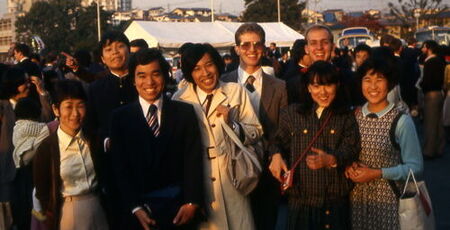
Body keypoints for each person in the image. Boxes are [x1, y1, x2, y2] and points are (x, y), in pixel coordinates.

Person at [110, 48, 204, 230]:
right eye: (141, 76)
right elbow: (119, 168)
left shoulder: (184, 112)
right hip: (139, 214)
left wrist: (192, 202)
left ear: (165, 75)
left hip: (180, 212)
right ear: (133, 80)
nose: (149, 82)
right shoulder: (120, 118)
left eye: (155, 74)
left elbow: (193, 161)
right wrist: (134, 207)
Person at [173, 43, 263, 230]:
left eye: (209, 65)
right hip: (197, 181)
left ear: (218, 65)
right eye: (196, 68)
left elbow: (256, 131)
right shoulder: (179, 99)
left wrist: (232, 124)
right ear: (189, 72)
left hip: (232, 177)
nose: (205, 73)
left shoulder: (235, 91)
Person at [269, 61, 360, 229]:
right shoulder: (292, 113)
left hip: (334, 205)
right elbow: (276, 141)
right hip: (300, 203)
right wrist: (275, 155)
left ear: (337, 85)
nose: (323, 92)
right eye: (317, 86)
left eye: (328, 85)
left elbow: (352, 148)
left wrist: (332, 159)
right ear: (309, 87)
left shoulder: (346, 115)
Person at [221, 22, 288, 230]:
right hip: (232, 168)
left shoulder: (279, 86)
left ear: (265, 47)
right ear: (237, 48)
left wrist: (276, 153)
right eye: (246, 45)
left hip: (268, 167)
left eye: (257, 44)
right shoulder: (223, 82)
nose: (252, 50)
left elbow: (282, 127)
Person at [347, 57, 423, 229]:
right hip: (356, 200)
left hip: (390, 201)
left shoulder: (401, 121)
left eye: (379, 80)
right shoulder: (353, 116)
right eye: (367, 80)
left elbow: (416, 167)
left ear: (389, 84)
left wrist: (378, 173)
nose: (373, 87)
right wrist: (348, 166)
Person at [33, 80, 108, 230]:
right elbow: (42, 191)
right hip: (67, 212)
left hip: (99, 207)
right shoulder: (47, 147)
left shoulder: (94, 140)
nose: (75, 113)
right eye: (68, 106)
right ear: (56, 109)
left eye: (80, 106)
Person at [0, 66, 52, 230]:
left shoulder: (33, 103)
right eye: (24, 82)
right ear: (12, 85)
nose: (28, 85)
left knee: (27, 216)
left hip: (31, 171)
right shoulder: (2, 107)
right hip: (7, 172)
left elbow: (48, 121)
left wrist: (42, 92)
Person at [420, 40, 446, 159]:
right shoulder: (441, 61)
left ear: (428, 48)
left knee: (430, 123)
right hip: (440, 93)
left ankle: (429, 151)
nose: (422, 49)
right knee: (439, 123)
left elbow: (427, 81)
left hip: (431, 94)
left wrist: (422, 87)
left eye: (424, 47)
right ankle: (440, 148)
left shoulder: (429, 62)